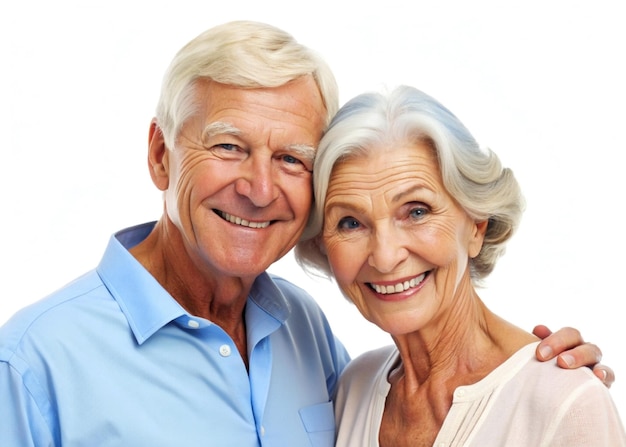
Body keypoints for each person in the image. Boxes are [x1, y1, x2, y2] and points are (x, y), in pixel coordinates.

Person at [0, 21, 613, 447]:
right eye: (229, 146)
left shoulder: (308, 337)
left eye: (292, 158)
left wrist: (555, 390)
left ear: (476, 225)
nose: (260, 189)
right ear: (161, 154)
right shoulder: (34, 363)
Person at [295, 85, 626, 446]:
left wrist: (564, 390)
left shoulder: (565, 402)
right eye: (350, 222)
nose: (385, 257)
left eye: (416, 212)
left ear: (476, 227)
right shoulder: (353, 388)